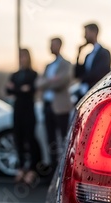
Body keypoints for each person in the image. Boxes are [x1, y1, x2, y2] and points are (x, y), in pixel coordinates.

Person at [36, 37, 73, 171]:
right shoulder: (48, 66)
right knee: (50, 139)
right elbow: (38, 84)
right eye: (50, 44)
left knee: (63, 138)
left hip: (60, 106)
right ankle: (52, 169)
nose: (51, 47)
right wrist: (51, 80)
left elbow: (61, 82)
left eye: (53, 45)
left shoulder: (66, 64)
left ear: (59, 46)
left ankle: (64, 169)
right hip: (47, 106)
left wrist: (48, 82)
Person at [6, 48, 39, 184]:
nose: (21, 59)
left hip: (28, 110)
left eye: (24, 56)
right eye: (20, 56)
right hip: (17, 109)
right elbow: (9, 90)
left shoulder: (33, 74)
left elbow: (30, 89)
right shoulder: (15, 75)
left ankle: (32, 169)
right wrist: (20, 89)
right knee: (18, 138)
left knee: (30, 139)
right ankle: (21, 168)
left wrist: (17, 89)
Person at [74, 23, 111, 103]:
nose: (84, 36)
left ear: (94, 32)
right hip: (84, 96)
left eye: (86, 33)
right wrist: (79, 54)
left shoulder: (104, 53)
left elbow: (99, 73)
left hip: (97, 95)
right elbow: (77, 74)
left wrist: (83, 79)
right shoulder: (88, 55)